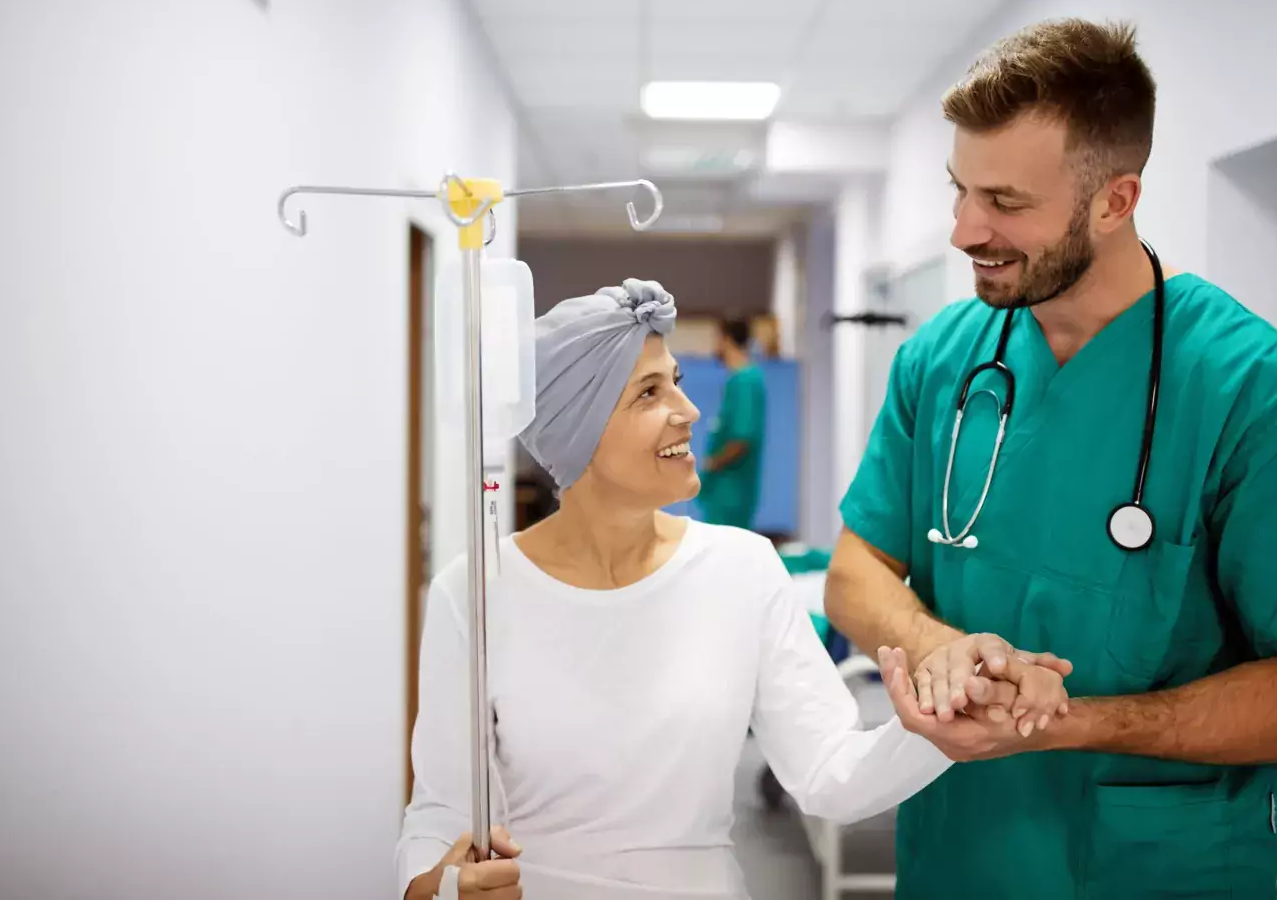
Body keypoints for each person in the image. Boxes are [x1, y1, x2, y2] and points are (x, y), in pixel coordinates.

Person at [824, 18, 1277, 899]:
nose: (964, 229)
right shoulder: (943, 360)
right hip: (956, 856)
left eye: (1006, 203)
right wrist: (938, 648)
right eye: (960, 190)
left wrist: (1064, 722)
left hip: (1158, 870)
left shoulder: (1259, 393)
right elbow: (855, 572)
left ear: (1116, 201)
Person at [396, 280, 999, 900]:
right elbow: (441, 809)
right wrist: (435, 886)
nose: (689, 411)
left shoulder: (742, 569)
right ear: (579, 429)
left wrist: (939, 725)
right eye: (650, 393)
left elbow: (828, 774)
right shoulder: (475, 591)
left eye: (676, 380)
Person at [697, 318, 767, 530]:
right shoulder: (738, 380)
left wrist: (713, 463)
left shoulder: (745, 380)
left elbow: (741, 437)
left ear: (725, 340)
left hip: (731, 489)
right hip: (725, 489)